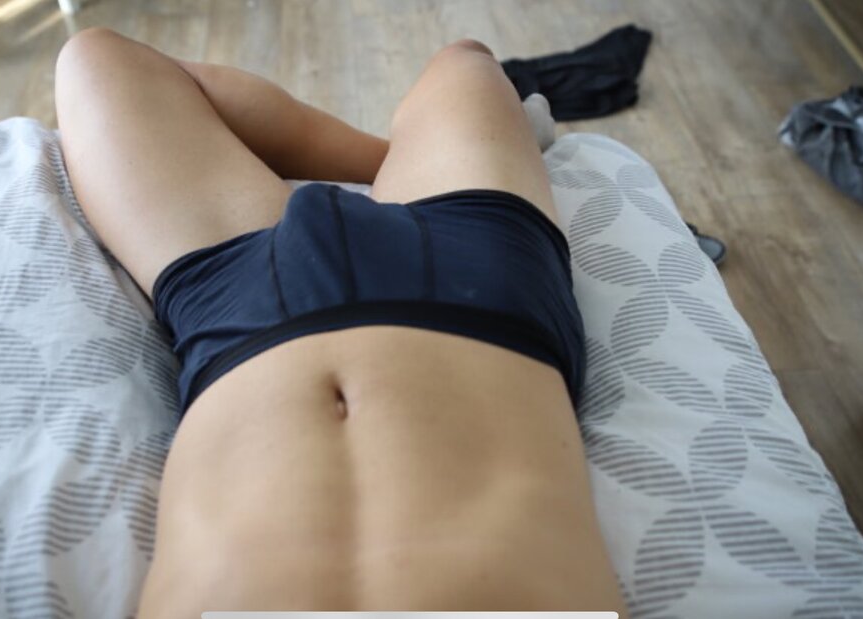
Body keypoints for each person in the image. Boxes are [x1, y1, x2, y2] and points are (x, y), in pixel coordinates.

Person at [54, 27, 628, 616]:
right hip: (487, 299)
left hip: (239, 319)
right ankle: (434, 155)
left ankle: (412, 158)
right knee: (465, 63)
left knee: (93, 59)